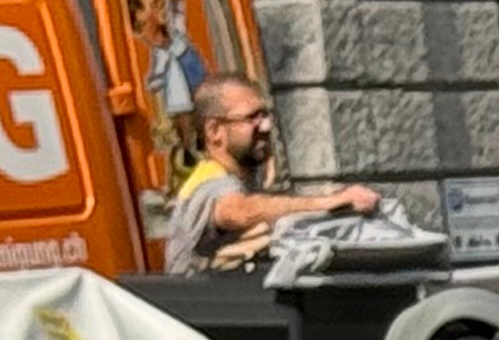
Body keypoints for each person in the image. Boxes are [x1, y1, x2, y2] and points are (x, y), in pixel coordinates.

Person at [161, 78, 380, 271]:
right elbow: (240, 211)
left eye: (265, 115)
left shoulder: (244, 179)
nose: (265, 127)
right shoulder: (210, 181)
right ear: (215, 131)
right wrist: (331, 202)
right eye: (252, 118)